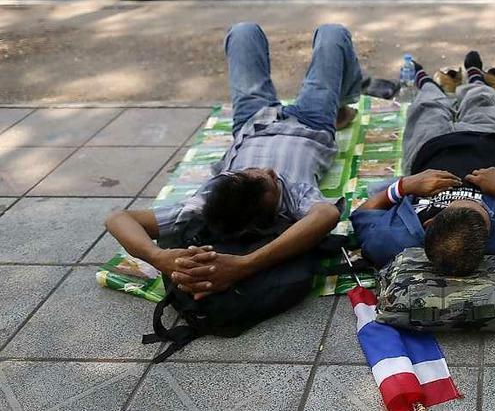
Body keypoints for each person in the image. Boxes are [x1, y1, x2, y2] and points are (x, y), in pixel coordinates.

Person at [105, 22, 364, 299]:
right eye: (272, 179)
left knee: (243, 32)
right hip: (312, 122)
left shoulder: (204, 202)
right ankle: (341, 107)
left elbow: (117, 218)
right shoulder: (296, 198)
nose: (268, 169)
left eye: (247, 172)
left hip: (252, 119)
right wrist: (246, 264)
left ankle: (337, 104)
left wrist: (158, 256)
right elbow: (327, 215)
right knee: (332, 34)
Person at [351, 51, 495, 275]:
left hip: (429, 149)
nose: (466, 195)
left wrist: (404, 186)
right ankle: (476, 77)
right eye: (481, 208)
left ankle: (427, 83)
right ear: (489, 235)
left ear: (428, 223)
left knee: (427, 108)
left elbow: (361, 215)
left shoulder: (390, 241)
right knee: (483, 104)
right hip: (486, 143)